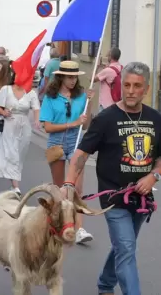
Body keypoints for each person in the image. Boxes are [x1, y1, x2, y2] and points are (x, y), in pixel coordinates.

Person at [61, 62, 160, 295]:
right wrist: (68, 183)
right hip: (114, 197)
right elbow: (81, 154)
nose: (131, 90)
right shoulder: (106, 119)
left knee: (123, 246)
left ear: (146, 88)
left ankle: (106, 283)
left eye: (137, 86)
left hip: (142, 199)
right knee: (126, 246)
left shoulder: (155, 118)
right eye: (126, 85)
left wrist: (153, 176)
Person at [39, 60, 95, 244]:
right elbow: (47, 127)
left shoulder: (80, 96)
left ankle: (79, 229)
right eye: (69, 77)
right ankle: (56, 222)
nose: (72, 81)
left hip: (76, 142)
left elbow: (85, 125)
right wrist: (73, 123)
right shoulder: (51, 97)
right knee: (60, 189)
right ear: (61, 77)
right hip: (57, 143)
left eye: (75, 77)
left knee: (77, 188)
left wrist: (90, 104)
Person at [0, 64, 41, 195]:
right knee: (11, 153)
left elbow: (36, 108)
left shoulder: (30, 92)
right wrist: (4, 113)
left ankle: (13, 181)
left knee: (19, 154)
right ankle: (16, 186)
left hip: (24, 125)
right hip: (10, 123)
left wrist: (37, 120)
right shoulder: (6, 89)